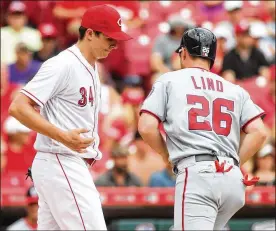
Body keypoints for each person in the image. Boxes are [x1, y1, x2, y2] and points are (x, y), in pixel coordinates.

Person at [9, 4, 132, 230]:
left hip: (62, 163)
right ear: (90, 33)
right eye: (109, 38)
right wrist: (62, 136)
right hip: (61, 160)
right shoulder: (63, 64)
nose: (115, 44)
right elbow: (18, 107)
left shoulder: (92, 68)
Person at [138, 27, 267, 230]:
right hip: (233, 182)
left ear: (184, 52)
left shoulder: (169, 79)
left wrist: (165, 155)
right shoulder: (234, 88)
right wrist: (233, 164)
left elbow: (146, 127)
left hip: (198, 175)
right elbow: (259, 132)